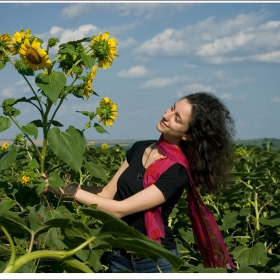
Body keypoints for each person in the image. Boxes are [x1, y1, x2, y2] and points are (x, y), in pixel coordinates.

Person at [43, 92, 236, 273]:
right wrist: (55, 186)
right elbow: (107, 193)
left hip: (154, 262)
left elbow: (120, 209)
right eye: (172, 108)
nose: (167, 115)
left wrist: (70, 190)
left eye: (177, 119)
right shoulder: (139, 148)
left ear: (188, 135)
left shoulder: (177, 171)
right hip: (119, 255)